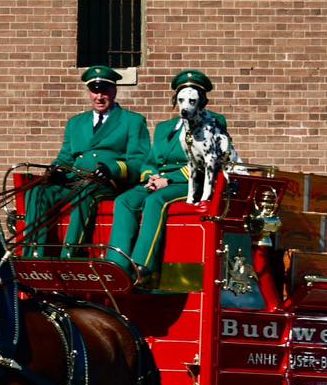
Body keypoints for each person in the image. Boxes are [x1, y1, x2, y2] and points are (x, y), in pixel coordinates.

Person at [105, 69, 232, 284]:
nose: (186, 106)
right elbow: (151, 160)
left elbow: (209, 160)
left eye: (192, 100)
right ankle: (115, 265)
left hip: (188, 182)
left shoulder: (215, 121)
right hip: (158, 181)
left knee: (156, 202)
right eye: (181, 99)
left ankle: (142, 266)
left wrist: (169, 180)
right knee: (124, 201)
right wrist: (151, 176)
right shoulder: (164, 128)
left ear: (201, 101)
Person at [22, 64, 151, 259]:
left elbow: (140, 161)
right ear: (89, 93)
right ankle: (33, 255)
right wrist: (56, 170)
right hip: (74, 180)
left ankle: (69, 255)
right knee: (37, 192)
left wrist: (113, 169)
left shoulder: (132, 121)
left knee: (85, 192)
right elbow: (65, 157)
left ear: (114, 90)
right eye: (94, 91)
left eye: (104, 91)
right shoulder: (76, 123)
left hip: (106, 185)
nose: (99, 97)